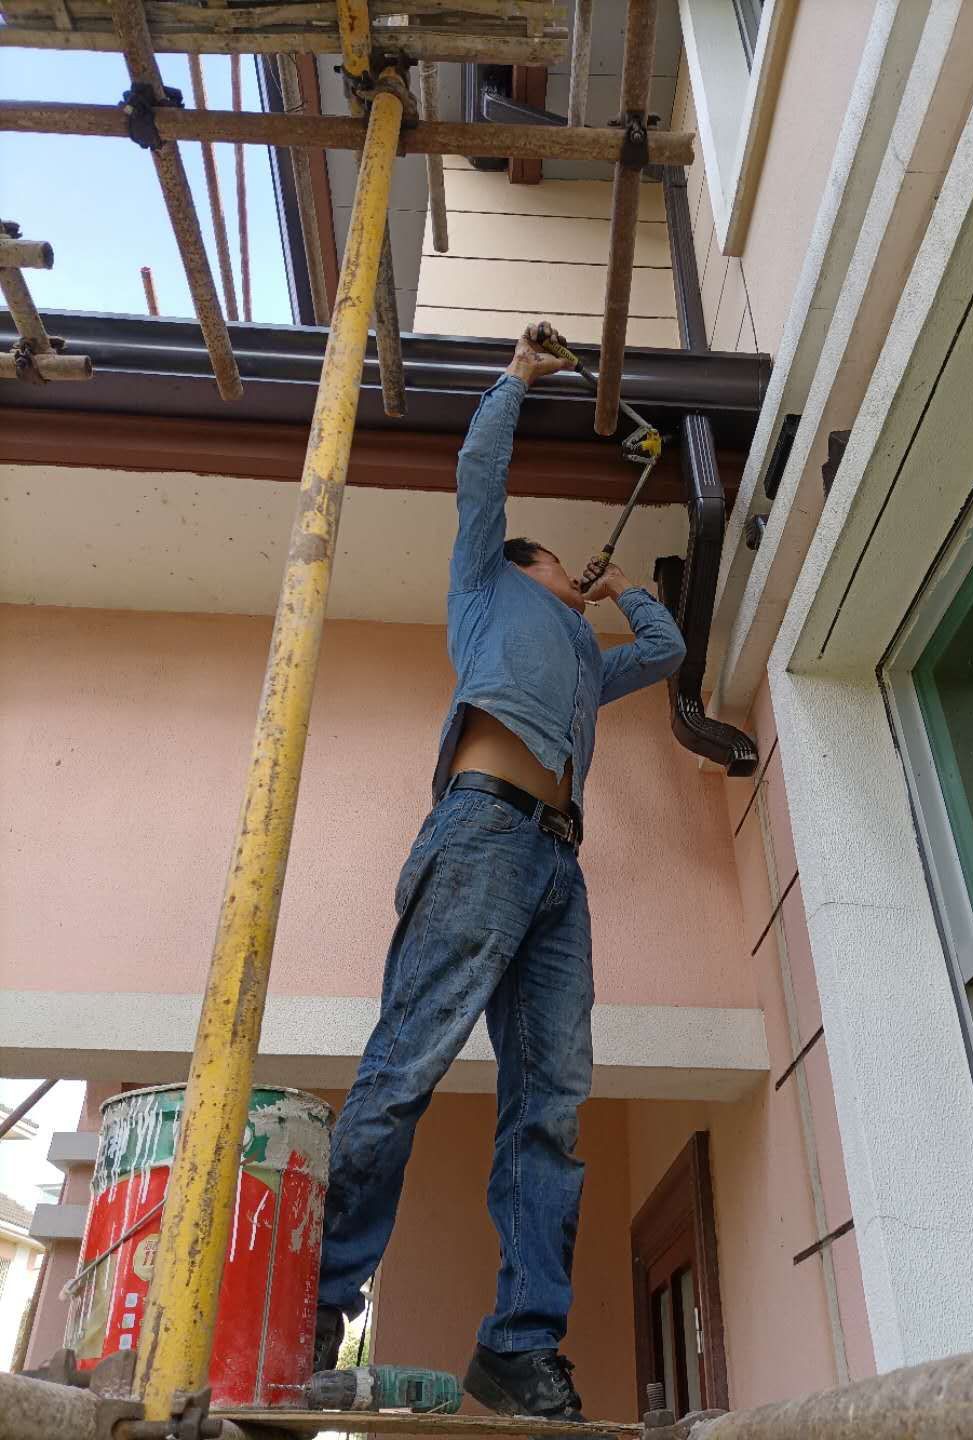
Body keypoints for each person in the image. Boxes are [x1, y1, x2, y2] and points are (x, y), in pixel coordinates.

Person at [313, 324, 687, 1422]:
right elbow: (480, 475)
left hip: (558, 870)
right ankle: (315, 1311)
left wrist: (626, 596)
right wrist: (518, 379)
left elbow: (661, 657)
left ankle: (519, 1345)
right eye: (564, 563)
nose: (571, 571)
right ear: (525, 566)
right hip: (481, 833)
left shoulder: (582, 653)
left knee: (553, 1106)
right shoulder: (487, 590)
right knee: (408, 1064)